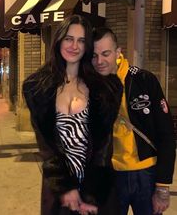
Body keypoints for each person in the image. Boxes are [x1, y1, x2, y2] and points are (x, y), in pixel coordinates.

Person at [23, 15, 123, 215]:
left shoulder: (106, 88)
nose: (74, 46)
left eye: (81, 40)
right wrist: (66, 187)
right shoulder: (37, 88)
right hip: (59, 193)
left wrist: (91, 195)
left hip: (97, 191)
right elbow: (47, 148)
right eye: (69, 38)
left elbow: (103, 148)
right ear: (59, 40)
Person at [92, 26, 176, 215]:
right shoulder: (90, 87)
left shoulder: (144, 80)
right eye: (94, 55)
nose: (100, 61)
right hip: (110, 176)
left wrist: (162, 185)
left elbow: (167, 134)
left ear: (118, 52)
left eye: (105, 53)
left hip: (146, 174)